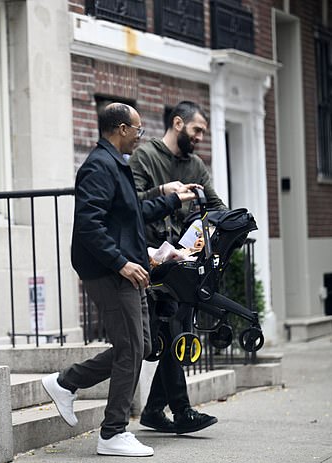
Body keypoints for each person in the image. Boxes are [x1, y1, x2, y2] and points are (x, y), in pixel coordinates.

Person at [41, 102, 200, 457]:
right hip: (109, 272)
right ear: (121, 129)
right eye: (138, 130)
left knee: (141, 346)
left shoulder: (117, 164)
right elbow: (88, 225)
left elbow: (133, 214)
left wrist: (173, 201)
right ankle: (112, 432)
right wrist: (121, 264)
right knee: (130, 348)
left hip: (127, 267)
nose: (140, 137)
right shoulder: (98, 167)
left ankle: (65, 382)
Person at [129, 100, 227, 434]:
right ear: (178, 123)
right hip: (146, 259)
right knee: (167, 333)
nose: (201, 136)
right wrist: (165, 191)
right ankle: (180, 410)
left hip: (180, 262)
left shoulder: (196, 165)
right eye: (197, 129)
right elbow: (131, 204)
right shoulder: (146, 156)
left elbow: (217, 208)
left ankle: (156, 410)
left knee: (170, 332)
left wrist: (206, 233)